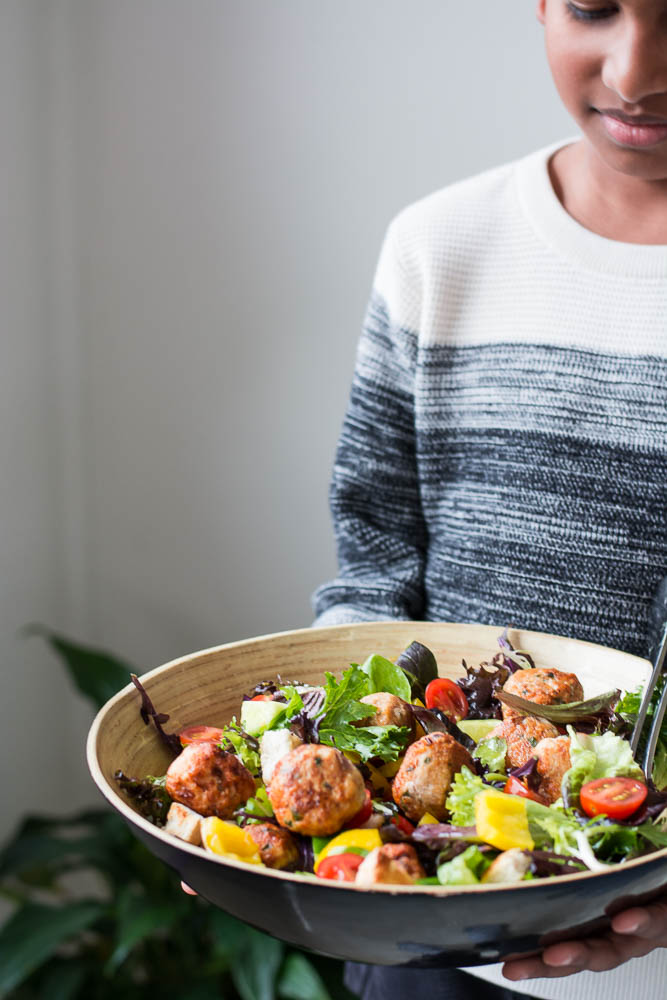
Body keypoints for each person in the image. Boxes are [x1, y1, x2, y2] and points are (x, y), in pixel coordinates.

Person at [311, 1, 667, 998]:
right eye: (596, 6)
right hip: (440, 953)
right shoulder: (443, 246)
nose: (635, 71)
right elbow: (375, 562)